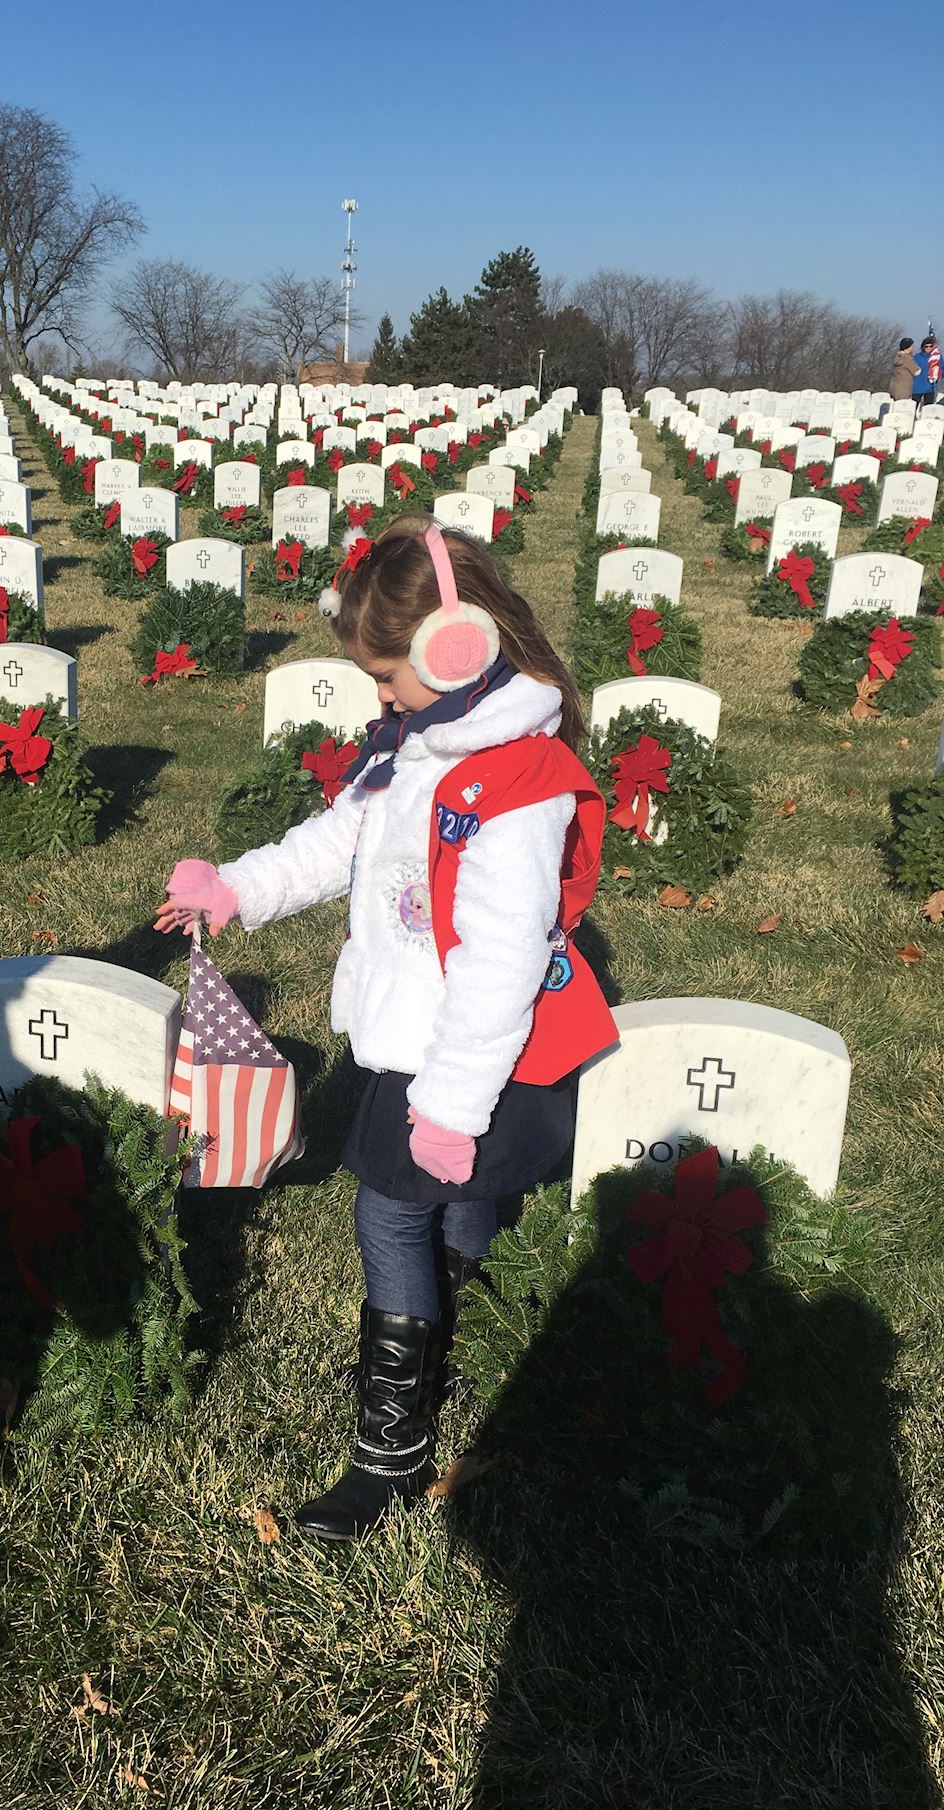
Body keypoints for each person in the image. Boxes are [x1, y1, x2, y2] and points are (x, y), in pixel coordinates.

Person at [155, 520, 616, 1541]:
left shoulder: (516, 781)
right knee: (445, 1219)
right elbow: (338, 838)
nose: (376, 694)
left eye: (384, 673)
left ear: (455, 648)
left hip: (465, 1058)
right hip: (413, 1041)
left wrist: (449, 1107)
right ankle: (434, 1336)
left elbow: (497, 966)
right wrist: (236, 889)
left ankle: (387, 1450)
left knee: (390, 1215)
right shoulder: (415, 739)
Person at [890, 338, 917, 403]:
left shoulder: (898, 357)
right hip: (904, 389)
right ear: (908, 347)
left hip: (894, 387)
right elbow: (916, 371)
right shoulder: (907, 358)